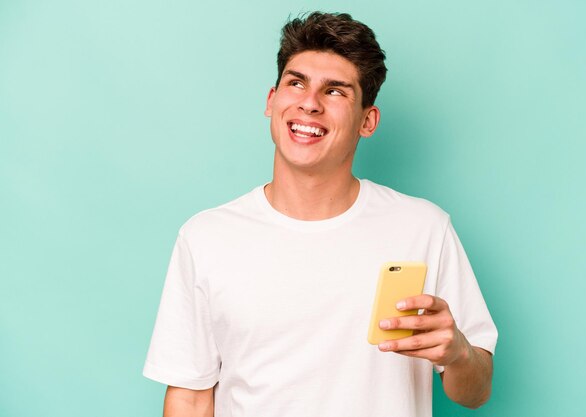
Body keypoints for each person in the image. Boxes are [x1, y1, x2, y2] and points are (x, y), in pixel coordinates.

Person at [143, 11, 497, 417]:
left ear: (368, 121)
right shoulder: (206, 237)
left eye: (335, 91)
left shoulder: (424, 228)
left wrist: (457, 354)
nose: (309, 104)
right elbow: (189, 397)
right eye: (296, 83)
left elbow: (477, 390)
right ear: (271, 101)